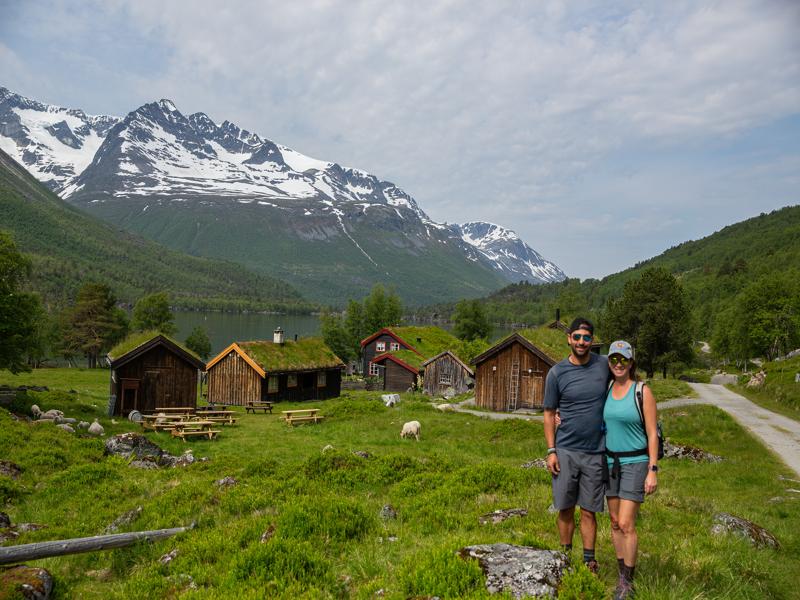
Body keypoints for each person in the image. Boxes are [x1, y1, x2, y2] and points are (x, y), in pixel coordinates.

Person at [543, 317, 610, 574]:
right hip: (566, 450)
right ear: (569, 338)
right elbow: (549, 413)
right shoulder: (557, 373)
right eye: (577, 337)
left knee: (589, 511)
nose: (582, 342)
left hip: (596, 451)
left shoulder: (604, 364)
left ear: (592, 340)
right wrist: (551, 450)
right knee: (565, 507)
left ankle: (589, 561)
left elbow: (626, 376)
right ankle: (565, 557)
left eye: (587, 338)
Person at [604, 340, 659, 600]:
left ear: (631, 363)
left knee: (626, 523)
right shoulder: (606, 389)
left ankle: (628, 583)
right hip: (610, 463)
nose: (618, 364)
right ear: (609, 362)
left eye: (623, 359)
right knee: (615, 522)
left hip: (636, 462)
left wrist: (653, 469)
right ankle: (620, 576)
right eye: (614, 359)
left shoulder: (642, 391)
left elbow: (652, 433)